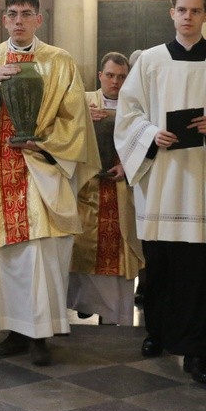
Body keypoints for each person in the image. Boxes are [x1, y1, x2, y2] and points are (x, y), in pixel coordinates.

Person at [0, 0, 98, 366]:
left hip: (40, 170)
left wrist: (44, 145)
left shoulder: (60, 62)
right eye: (12, 14)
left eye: (26, 14)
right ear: (4, 18)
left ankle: (41, 334)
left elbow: (75, 119)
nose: (18, 21)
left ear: (38, 19)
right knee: (5, 257)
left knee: (40, 258)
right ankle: (13, 328)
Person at [115, 0, 206, 384]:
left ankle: (199, 352)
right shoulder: (149, 61)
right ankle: (157, 332)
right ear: (171, 13)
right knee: (161, 264)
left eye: (196, 11)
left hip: (204, 181)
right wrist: (149, 134)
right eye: (182, 10)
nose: (188, 17)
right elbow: (128, 115)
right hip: (161, 177)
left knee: (204, 270)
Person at [68, 52, 145, 325]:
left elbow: (144, 141)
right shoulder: (82, 102)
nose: (115, 81)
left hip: (120, 189)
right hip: (87, 189)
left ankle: (113, 314)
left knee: (119, 247)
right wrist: (81, 118)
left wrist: (126, 166)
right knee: (82, 245)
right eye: (110, 75)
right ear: (100, 75)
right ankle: (86, 302)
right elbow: (61, 132)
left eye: (122, 76)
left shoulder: (136, 106)